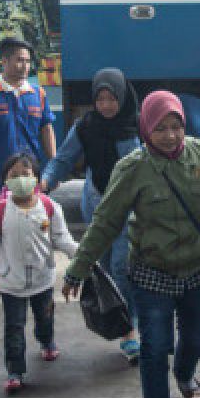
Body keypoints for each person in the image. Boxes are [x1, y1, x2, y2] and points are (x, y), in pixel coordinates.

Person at [61, 91, 200, 398]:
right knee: (154, 349)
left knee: (195, 338)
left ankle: (186, 376)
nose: (170, 136)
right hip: (150, 273)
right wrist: (79, 267)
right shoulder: (133, 168)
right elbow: (106, 220)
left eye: (176, 126)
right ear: (146, 128)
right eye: (160, 128)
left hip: (199, 271)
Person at [40, 67, 143, 364]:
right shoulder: (85, 126)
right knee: (107, 268)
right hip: (97, 205)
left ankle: (129, 330)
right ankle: (116, 318)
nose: (106, 106)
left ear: (123, 98)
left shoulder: (138, 125)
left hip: (129, 208)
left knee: (124, 266)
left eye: (112, 99)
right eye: (101, 99)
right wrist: (44, 183)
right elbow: (63, 159)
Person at [0, 151, 78, 393]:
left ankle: (46, 341)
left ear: (36, 178)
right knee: (14, 327)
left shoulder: (49, 207)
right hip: (11, 282)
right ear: (5, 180)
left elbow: (61, 239)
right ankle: (15, 371)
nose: (21, 179)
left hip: (43, 280)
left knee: (44, 317)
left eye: (26, 174)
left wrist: (82, 256)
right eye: (14, 176)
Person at [0, 37, 56, 190]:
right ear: (5, 61)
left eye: (28, 61)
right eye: (20, 60)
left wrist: (54, 169)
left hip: (30, 175)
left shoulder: (38, 94)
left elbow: (46, 130)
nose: (25, 66)